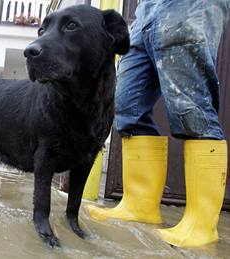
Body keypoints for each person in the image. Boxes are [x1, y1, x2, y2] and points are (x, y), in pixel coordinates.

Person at [86, 0, 229, 248]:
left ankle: (201, 225)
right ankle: (139, 205)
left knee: (191, 106)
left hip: (190, 5)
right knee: (128, 106)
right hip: (146, 10)